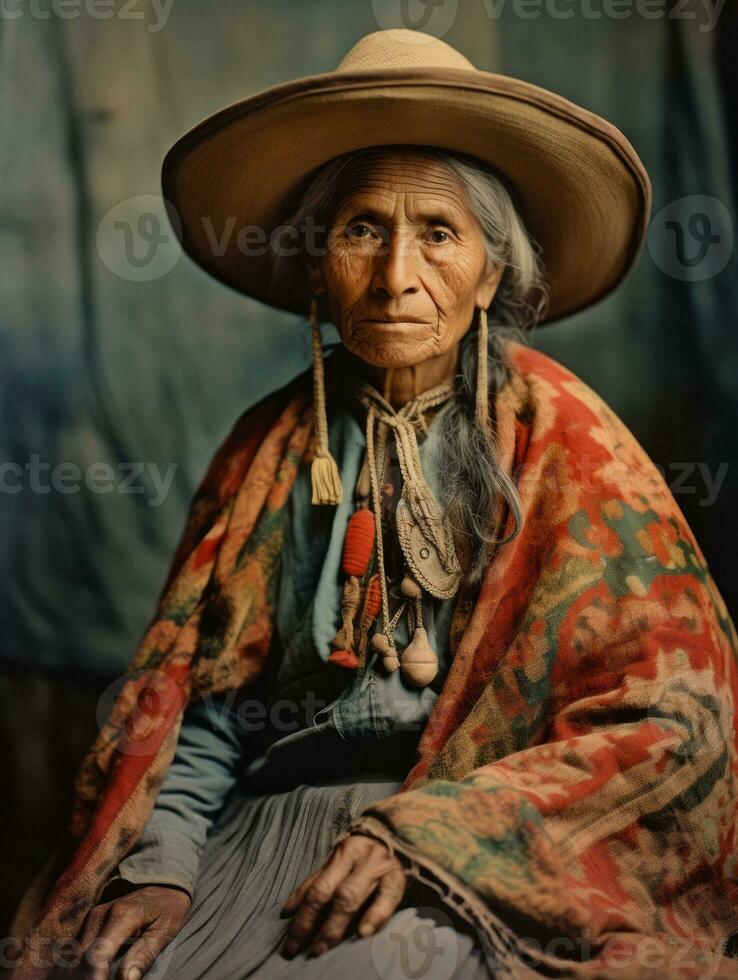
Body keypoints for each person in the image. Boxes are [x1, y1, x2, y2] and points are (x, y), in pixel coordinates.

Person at [11, 28, 738, 980]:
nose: (397, 276)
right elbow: (204, 708)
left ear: (491, 274)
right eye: (362, 229)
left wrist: (438, 836)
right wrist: (164, 870)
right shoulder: (268, 450)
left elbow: (674, 717)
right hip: (257, 831)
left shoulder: (567, 439)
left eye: (439, 234)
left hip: (467, 848)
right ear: (317, 265)